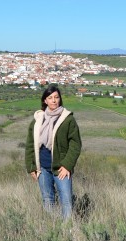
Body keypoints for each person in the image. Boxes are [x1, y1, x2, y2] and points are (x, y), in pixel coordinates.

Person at [25, 85, 82, 220]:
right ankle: (51, 227)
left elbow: (75, 144)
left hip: (61, 167)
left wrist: (67, 165)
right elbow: (30, 146)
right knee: (47, 200)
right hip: (42, 167)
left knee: (67, 201)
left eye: (56, 97)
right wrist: (31, 167)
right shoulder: (38, 120)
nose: (54, 100)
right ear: (45, 101)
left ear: (60, 99)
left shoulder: (67, 119)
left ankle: (67, 230)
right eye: (50, 98)